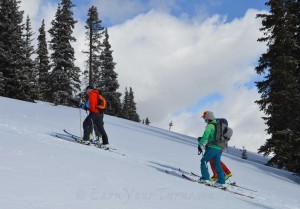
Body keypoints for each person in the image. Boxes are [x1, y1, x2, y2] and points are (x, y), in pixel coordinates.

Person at [198, 111, 225, 187]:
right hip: (220, 148)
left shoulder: (209, 125)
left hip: (212, 147)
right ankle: (222, 182)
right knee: (217, 164)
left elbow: (205, 136)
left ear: (207, 118)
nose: (204, 119)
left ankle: (205, 178)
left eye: (204, 118)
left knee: (204, 161)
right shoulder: (217, 124)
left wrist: (200, 145)